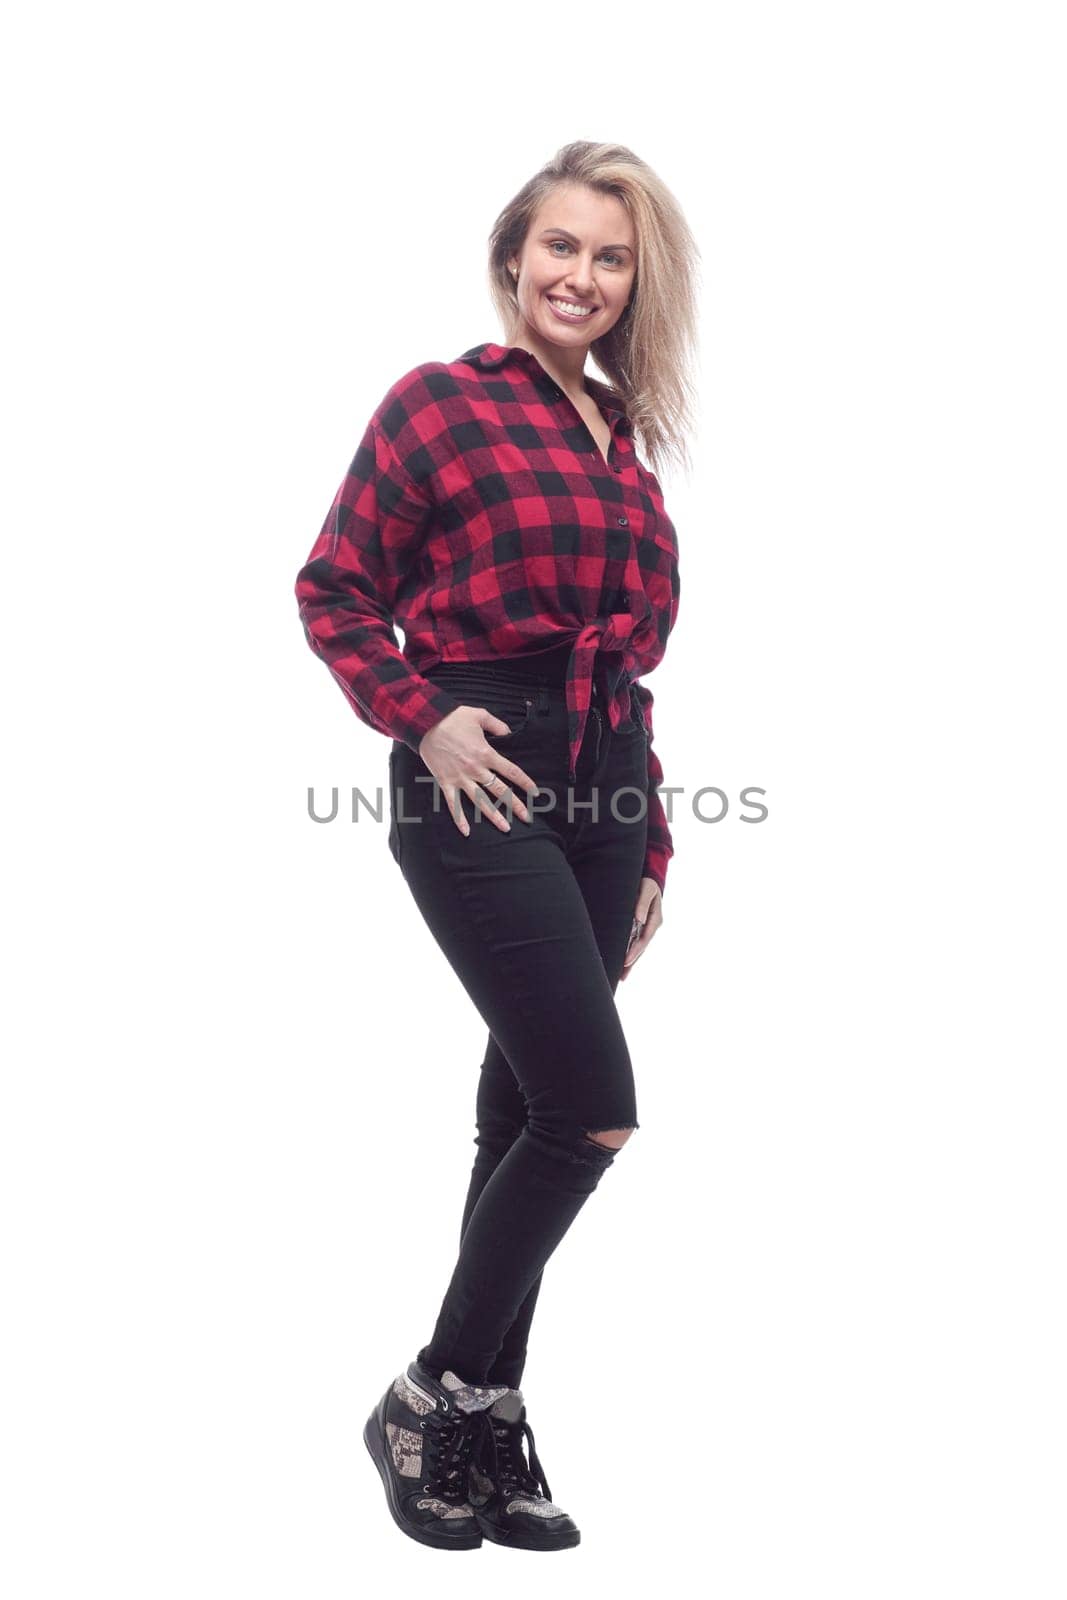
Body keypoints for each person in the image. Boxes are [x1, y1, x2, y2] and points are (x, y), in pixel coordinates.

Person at [294, 139, 698, 1551]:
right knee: (591, 1111)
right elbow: (334, 588)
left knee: (522, 1111)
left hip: (604, 788)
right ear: (512, 255)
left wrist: (651, 844)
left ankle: (488, 1423)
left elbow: (631, 678)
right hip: (475, 777)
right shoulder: (440, 407)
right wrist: (423, 720)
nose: (580, 276)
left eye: (611, 256)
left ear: (636, 282)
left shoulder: (625, 448)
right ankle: (431, 1391)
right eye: (561, 247)